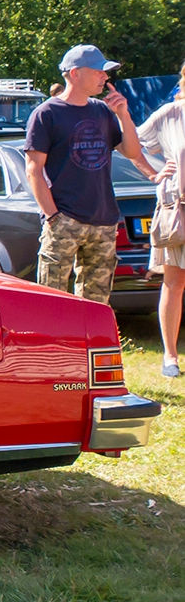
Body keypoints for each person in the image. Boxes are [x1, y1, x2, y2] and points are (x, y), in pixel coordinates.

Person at [25, 44, 158, 304]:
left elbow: (131, 151)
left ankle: (87, 346)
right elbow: (33, 170)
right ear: (75, 73)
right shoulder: (46, 114)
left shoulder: (101, 111)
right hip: (64, 220)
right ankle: (53, 345)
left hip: (104, 220)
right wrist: (53, 216)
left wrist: (123, 114)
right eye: (99, 71)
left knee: (96, 303)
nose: (105, 77)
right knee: (52, 299)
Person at [137, 61, 185, 377]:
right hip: (178, 209)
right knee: (175, 282)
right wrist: (156, 172)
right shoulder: (171, 114)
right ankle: (170, 357)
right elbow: (133, 142)